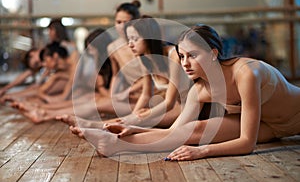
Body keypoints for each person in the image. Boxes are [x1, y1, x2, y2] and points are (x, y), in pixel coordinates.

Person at [58, 24, 300, 161]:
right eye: (182, 56)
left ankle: (115, 142)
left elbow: (247, 143)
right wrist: (136, 129)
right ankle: (115, 144)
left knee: (199, 139)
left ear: (214, 53)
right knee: (194, 129)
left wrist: (201, 151)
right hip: (270, 126)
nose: (185, 63)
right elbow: (174, 132)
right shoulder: (199, 90)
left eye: (193, 55)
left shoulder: (246, 72)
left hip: (297, 117)